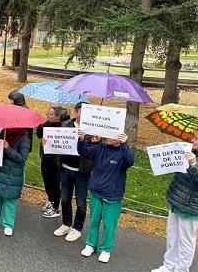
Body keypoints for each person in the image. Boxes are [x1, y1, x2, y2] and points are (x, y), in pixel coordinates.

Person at [150, 128, 198, 272]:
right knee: (172, 236)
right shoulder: (192, 152)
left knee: (186, 240)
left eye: (196, 138)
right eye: (192, 137)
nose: (192, 140)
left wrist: (193, 164)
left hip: (192, 206)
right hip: (177, 200)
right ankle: (169, 264)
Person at [78, 130, 134, 263]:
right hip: (96, 191)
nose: (109, 137)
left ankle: (105, 249)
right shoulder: (100, 148)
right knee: (94, 221)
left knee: (109, 225)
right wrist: (81, 140)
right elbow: (84, 152)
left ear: (120, 138)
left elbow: (130, 161)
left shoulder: (123, 152)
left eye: (113, 136)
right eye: (108, 134)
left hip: (112, 195)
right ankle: (91, 244)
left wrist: (125, 144)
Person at [50, 102, 94, 242]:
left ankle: (77, 228)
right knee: (65, 198)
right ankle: (66, 223)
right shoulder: (66, 125)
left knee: (81, 201)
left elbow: (95, 151)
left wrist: (88, 140)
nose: (84, 114)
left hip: (83, 171)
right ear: (76, 112)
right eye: (82, 111)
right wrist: (48, 143)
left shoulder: (93, 130)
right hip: (65, 168)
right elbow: (56, 142)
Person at [0, 127, 31, 236]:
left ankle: (8, 225)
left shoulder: (24, 138)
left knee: (10, 201)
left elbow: (22, 158)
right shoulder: (4, 132)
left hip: (12, 174)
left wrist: (8, 148)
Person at [36, 106, 68, 218]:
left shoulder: (64, 127)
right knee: (47, 181)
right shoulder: (47, 124)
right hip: (46, 157)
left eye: (51, 114)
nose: (48, 116)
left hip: (56, 160)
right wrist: (41, 125)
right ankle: (50, 200)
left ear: (58, 117)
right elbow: (39, 135)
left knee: (55, 183)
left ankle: (55, 207)